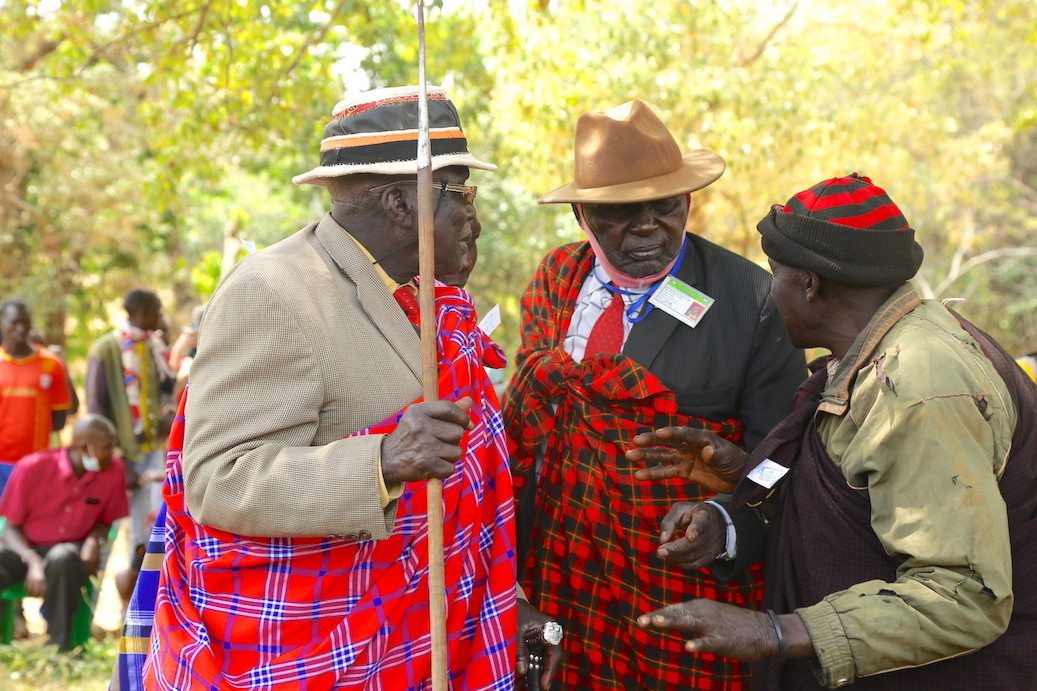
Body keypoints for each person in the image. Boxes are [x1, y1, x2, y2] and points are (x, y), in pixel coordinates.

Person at [120, 85, 560, 690]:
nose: (475, 219)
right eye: (461, 192)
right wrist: (382, 460)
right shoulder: (275, 292)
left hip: (428, 646)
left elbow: (465, 492)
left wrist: (509, 607)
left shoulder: (430, 299)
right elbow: (219, 480)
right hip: (320, 658)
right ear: (402, 204)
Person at [633, 174, 1037, 689]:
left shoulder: (918, 385)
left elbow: (961, 597)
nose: (769, 287)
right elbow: (869, 503)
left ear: (809, 284)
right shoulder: (880, 351)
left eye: (773, 271)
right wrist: (743, 476)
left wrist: (774, 631)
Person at [502, 99, 805, 689]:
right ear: (582, 216)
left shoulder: (754, 300)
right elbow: (527, 433)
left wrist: (727, 517)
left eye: (664, 206)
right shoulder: (554, 282)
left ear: (687, 202)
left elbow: (783, 460)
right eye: (619, 212)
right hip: (565, 583)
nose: (646, 226)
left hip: (685, 593)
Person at [0, 414, 128, 650]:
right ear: (83, 446)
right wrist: (33, 561)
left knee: (64, 557)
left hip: (71, 552)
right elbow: (10, 529)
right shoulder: (32, 467)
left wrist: (93, 539)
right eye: (106, 447)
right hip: (25, 549)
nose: (113, 452)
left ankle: (59, 647)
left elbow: (107, 521)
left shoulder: (113, 470)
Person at [85, 288, 175, 565]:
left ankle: (139, 585)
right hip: (120, 453)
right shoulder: (106, 349)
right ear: (141, 313)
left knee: (148, 523)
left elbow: (167, 390)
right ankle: (100, 587)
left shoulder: (154, 347)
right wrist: (114, 458)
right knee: (109, 524)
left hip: (152, 448)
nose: (160, 317)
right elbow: (96, 409)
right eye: (157, 311)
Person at [0, 297, 73, 495]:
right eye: (14, 322)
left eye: (25, 322)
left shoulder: (51, 363)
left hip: (36, 463)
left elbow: (59, 420)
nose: (20, 328)